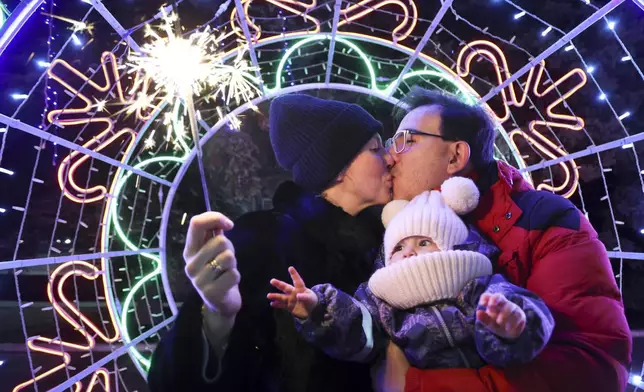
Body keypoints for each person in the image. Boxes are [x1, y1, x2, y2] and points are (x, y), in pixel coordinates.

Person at [384, 87, 631, 392]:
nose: (389, 156)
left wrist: (417, 385)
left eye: (405, 140)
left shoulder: (545, 219)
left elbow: (593, 371)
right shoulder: (394, 232)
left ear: (456, 156)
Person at [148, 94, 395, 391]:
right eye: (375, 148)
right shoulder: (264, 238)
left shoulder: (382, 243)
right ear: (339, 167)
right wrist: (216, 317)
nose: (390, 157)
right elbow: (172, 381)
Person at [269, 177, 554, 371]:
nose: (408, 252)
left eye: (424, 242)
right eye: (399, 247)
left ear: (450, 246)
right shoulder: (382, 300)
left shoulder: (479, 285)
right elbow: (358, 332)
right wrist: (318, 310)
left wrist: (514, 326)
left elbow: (525, 305)